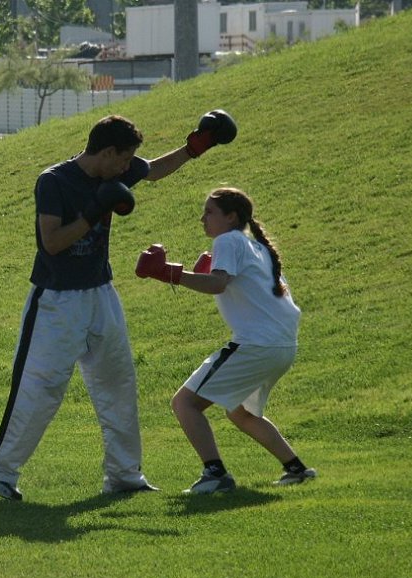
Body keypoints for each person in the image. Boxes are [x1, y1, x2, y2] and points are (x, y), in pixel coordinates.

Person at [0, 112, 237, 500]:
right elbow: (51, 243)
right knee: (40, 388)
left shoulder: (114, 173)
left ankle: (124, 474)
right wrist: (93, 212)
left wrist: (195, 147)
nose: (128, 167)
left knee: (118, 383)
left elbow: (154, 171)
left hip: (100, 293)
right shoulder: (54, 181)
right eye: (125, 158)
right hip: (55, 300)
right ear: (108, 151)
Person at [135, 187, 316, 494]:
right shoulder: (255, 246)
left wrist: (168, 273)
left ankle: (215, 474)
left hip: (257, 343)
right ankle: (296, 469)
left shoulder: (228, 240)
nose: (202, 218)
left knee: (185, 403)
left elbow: (218, 284)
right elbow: (231, 285)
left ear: (231, 217)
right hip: (282, 345)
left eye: (209, 212)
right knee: (241, 412)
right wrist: (189, 275)